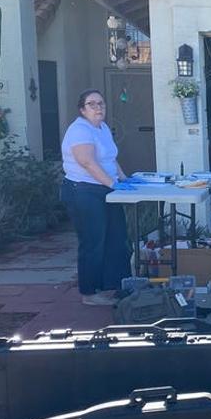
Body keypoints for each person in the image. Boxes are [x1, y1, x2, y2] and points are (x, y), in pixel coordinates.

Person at [60, 89, 132, 307]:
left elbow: (110, 159)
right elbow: (87, 162)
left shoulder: (102, 128)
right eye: (92, 104)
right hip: (84, 191)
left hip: (106, 190)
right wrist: (113, 184)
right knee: (93, 242)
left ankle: (117, 286)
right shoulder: (79, 130)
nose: (98, 107)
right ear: (82, 110)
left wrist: (124, 179)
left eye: (101, 103)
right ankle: (89, 293)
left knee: (117, 239)